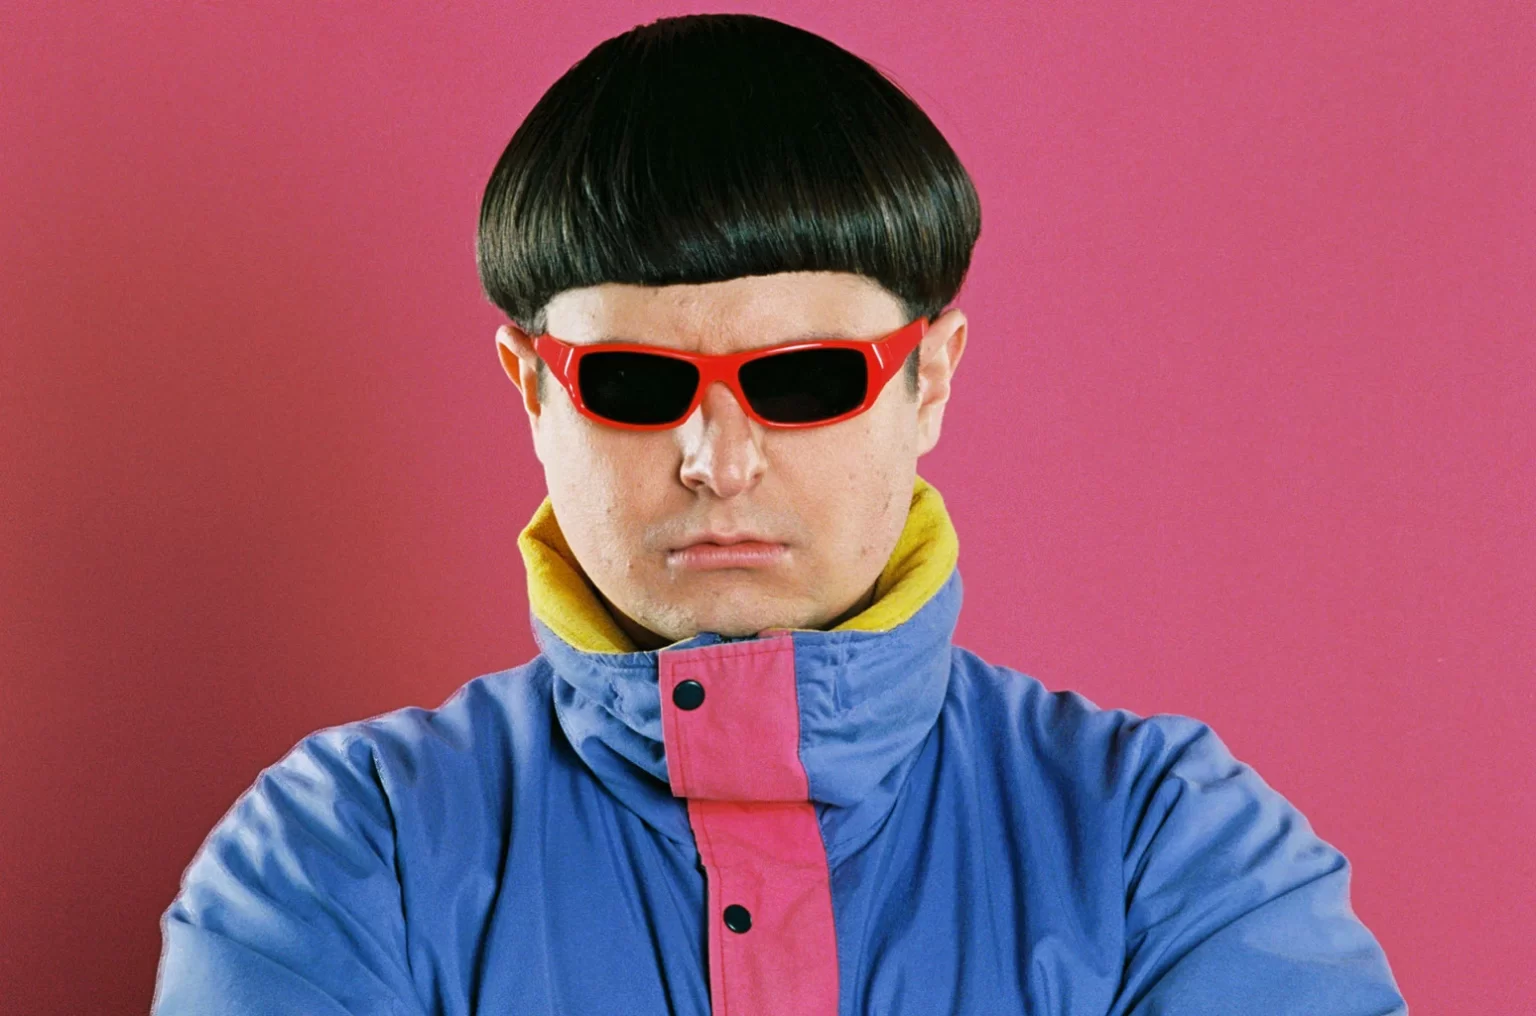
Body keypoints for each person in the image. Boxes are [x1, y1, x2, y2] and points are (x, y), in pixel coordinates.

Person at [153, 13, 1407, 1015]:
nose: (718, 460)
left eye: (804, 378)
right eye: (634, 383)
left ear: (931, 380)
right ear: (532, 390)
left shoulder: (1167, 850)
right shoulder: (342, 854)